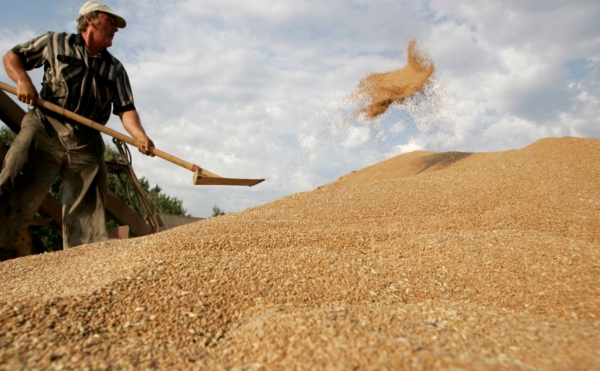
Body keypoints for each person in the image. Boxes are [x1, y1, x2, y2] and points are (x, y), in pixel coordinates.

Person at [0, 1, 154, 253]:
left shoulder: (115, 69)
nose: (116, 28)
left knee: (89, 213)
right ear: (91, 20)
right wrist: (23, 80)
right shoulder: (54, 42)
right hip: (45, 127)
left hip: (85, 139)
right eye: (111, 21)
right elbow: (12, 57)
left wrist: (139, 136)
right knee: (15, 180)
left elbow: (126, 109)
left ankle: (83, 264)